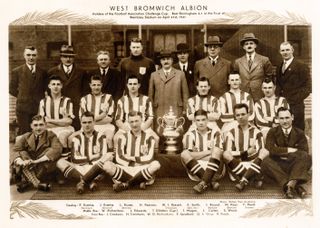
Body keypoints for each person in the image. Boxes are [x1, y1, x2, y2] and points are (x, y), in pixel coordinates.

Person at [56, 112, 114, 194]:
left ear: (94, 122)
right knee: (60, 162)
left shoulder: (101, 137)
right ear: (81, 123)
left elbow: (102, 156)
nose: (87, 125)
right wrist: (92, 157)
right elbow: (75, 159)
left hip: (96, 168)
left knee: (108, 156)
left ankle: (82, 182)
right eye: (84, 122)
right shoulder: (76, 138)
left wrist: (85, 158)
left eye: (90, 122)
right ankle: (89, 181)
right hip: (80, 168)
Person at [103, 111, 161, 192]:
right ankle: (139, 180)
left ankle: (125, 184)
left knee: (156, 164)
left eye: (136, 121)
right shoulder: (122, 137)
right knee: (107, 165)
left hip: (141, 168)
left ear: (142, 120)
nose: (134, 124)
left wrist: (131, 158)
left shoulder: (149, 137)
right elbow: (119, 158)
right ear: (128, 122)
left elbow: (149, 158)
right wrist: (133, 163)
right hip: (126, 168)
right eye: (131, 122)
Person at [261, 107, 311, 199]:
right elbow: (270, 149)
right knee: (266, 161)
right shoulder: (272, 132)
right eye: (282, 118)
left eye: (287, 118)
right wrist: (289, 150)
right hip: (278, 165)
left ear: (292, 117)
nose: (285, 121)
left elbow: (304, 151)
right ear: (278, 119)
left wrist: (279, 151)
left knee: (306, 157)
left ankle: (289, 186)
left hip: (294, 164)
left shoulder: (299, 133)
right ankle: (294, 185)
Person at [223, 103, 269, 191]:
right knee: (225, 154)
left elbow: (260, 153)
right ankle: (252, 180)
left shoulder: (257, 132)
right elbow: (228, 153)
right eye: (238, 115)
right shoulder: (231, 132)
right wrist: (245, 153)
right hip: (237, 165)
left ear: (248, 114)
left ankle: (243, 180)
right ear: (235, 117)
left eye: (243, 114)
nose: (241, 117)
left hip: (253, 164)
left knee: (264, 151)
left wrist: (240, 156)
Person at [11, 115, 62, 192]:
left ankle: (27, 181)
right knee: (22, 152)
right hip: (28, 165)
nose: (38, 128)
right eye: (35, 125)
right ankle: (37, 184)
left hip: (43, 168)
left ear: (45, 125)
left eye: (41, 124)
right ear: (31, 126)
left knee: (49, 150)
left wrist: (36, 161)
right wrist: (21, 162)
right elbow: (14, 150)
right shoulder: (26, 136)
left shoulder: (51, 135)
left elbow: (57, 150)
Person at [181, 110, 223, 194]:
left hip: (215, 170)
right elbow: (189, 155)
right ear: (194, 122)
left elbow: (219, 153)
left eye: (203, 120)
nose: (201, 123)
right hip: (196, 171)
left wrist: (197, 155)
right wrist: (209, 152)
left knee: (217, 150)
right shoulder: (190, 135)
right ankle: (210, 181)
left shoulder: (216, 133)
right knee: (184, 154)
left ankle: (203, 183)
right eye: (198, 120)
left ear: (207, 120)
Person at [9, 46, 47, 135]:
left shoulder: (43, 72)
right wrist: (23, 96)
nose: (31, 57)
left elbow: (45, 88)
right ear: (24, 56)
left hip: (37, 108)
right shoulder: (17, 71)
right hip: (23, 108)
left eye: (34, 55)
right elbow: (11, 89)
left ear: (37, 56)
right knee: (24, 133)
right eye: (28, 55)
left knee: (37, 132)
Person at [48, 44, 87, 130]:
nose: (68, 59)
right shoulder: (52, 72)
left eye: (70, 57)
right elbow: (49, 91)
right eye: (65, 57)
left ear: (74, 58)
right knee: (62, 130)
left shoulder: (82, 72)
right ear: (61, 57)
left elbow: (85, 91)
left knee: (77, 130)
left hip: (77, 106)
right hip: (60, 106)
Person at [115, 75, 158, 150]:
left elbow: (150, 117)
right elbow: (118, 119)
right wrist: (126, 129)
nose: (132, 86)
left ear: (139, 85)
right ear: (127, 85)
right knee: (116, 138)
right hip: (127, 126)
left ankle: (151, 159)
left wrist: (143, 128)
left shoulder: (146, 99)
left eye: (135, 84)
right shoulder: (122, 100)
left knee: (156, 138)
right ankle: (119, 159)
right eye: (130, 84)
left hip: (143, 126)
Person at [275, 41, 311, 131]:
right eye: (283, 50)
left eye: (287, 50)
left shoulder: (301, 66)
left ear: (292, 50)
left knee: (297, 130)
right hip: (282, 104)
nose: (285, 52)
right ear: (280, 52)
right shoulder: (279, 65)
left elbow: (308, 87)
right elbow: (279, 84)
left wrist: (295, 99)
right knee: (283, 129)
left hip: (296, 104)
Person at [38, 75, 75, 156]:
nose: (56, 87)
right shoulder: (43, 102)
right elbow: (42, 123)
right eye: (53, 84)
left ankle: (65, 160)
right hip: (49, 129)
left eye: (58, 84)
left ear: (61, 86)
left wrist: (50, 120)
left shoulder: (67, 101)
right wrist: (61, 121)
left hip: (65, 129)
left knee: (62, 137)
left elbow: (69, 122)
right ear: (49, 86)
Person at [148, 50, 189, 122]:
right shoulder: (154, 75)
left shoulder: (180, 74)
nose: (166, 61)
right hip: (159, 109)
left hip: (176, 109)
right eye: (163, 59)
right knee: (160, 130)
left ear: (172, 60)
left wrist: (185, 109)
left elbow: (185, 94)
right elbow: (150, 95)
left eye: (168, 59)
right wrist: (150, 111)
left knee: (176, 131)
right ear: (160, 61)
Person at [233, 33, 273, 102]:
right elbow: (236, 78)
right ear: (243, 47)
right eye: (246, 44)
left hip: (260, 94)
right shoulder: (238, 62)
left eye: (251, 43)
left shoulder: (264, 60)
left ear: (255, 45)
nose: (249, 45)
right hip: (243, 94)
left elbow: (269, 78)